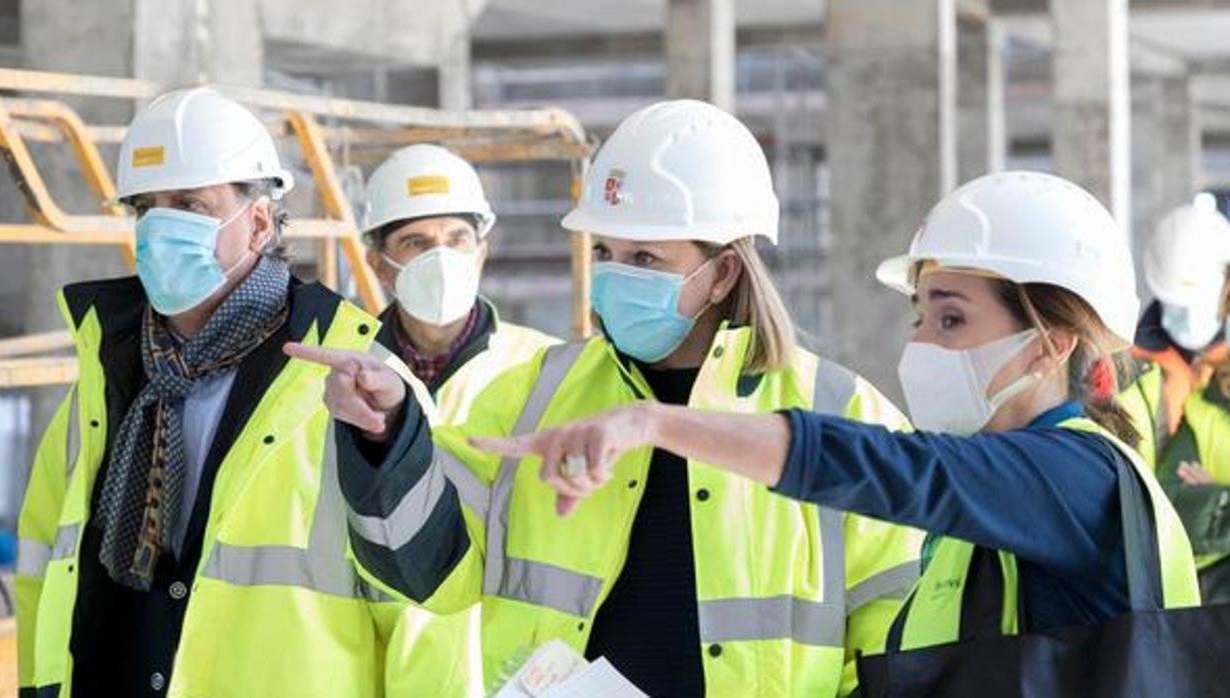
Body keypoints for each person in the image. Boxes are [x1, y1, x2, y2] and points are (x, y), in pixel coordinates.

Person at [288, 100, 923, 696]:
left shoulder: (841, 414)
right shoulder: (536, 394)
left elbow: (897, 639)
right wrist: (389, 435)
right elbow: (428, 572)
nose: (615, 274)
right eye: (605, 252)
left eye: (644, 255)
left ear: (723, 272)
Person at [473, 171, 1202, 668]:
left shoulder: (1073, 477)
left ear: (1051, 345)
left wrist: (656, 424)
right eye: (920, 316)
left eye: (951, 318)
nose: (920, 345)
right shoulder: (996, 508)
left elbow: (888, 467)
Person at [15, 88, 391, 696]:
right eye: (146, 207)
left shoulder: (350, 381)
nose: (161, 226)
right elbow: (44, 569)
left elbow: (422, 611)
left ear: (260, 222)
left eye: (190, 203)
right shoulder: (106, 376)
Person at [360, 144, 557, 696]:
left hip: (510, 678)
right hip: (389, 678)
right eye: (416, 243)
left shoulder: (546, 371)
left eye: (456, 239)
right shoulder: (344, 378)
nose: (440, 256)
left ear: (481, 252)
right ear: (378, 262)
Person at [1119, 205, 1230, 602]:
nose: (1181, 317)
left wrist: (1216, 500)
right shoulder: (1129, 368)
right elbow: (1171, 502)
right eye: (1172, 304)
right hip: (1160, 580)